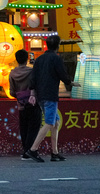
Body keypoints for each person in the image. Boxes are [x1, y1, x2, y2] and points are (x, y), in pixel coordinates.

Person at [24, 35, 73, 163]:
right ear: (58, 45)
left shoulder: (39, 59)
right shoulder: (56, 59)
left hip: (41, 95)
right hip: (50, 94)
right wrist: (69, 82)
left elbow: (33, 77)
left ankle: (55, 152)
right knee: (50, 122)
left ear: (46, 45)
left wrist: (33, 92)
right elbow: (62, 74)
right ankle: (33, 149)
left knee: (55, 122)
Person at [9, 49, 40, 159]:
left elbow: (12, 92)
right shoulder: (32, 72)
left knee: (24, 128)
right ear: (27, 59)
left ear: (16, 59)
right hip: (33, 103)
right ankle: (30, 150)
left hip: (21, 104)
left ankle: (25, 150)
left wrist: (19, 95)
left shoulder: (12, 73)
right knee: (34, 127)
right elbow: (36, 86)